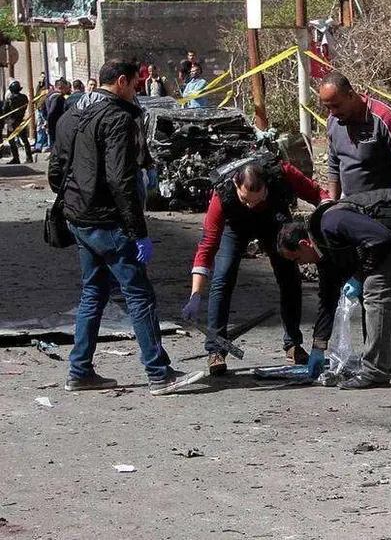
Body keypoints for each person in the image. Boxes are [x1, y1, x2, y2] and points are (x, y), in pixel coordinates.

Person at [47, 58, 204, 395]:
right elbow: (121, 180)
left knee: (93, 293)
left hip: (79, 219)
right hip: (108, 222)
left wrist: (78, 199)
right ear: (121, 81)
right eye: (135, 85)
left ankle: (79, 370)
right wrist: (138, 233)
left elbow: (55, 173)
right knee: (139, 295)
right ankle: (159, 373)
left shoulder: (71, 115)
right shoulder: (117, 119)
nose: (137, 92)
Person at [277, 189, 391, 389]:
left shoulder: (332, 223)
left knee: (376, 290)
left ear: (304, 244)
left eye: (297, 259)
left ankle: (375, 371)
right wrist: (318, 347)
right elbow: (328, 299)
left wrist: (358, 278)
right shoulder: (324, 249)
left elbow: (381, 240)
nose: (301, 265)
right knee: (382, 288)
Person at [181, 158, 330, 375]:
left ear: (267, 185)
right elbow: (207, 247)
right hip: (236, 227)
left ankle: (293, 344)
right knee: (222, 277)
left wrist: (334, 219)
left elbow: (319, 195)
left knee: (289, 275)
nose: (251, 205)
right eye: (245, 200)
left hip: (274, 221)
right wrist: (195, 295)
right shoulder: (222, 194)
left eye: (257, 199)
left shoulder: (282, 173)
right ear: (235, 184)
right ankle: (216, 349)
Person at [318, 71, 391, 360]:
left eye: (336, 105)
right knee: (368, 280)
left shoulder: (382, 118)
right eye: (327, 107)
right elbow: (334, 163)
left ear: (351, 95)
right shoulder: (333, 123)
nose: (332, 113)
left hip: (386, 213)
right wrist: (332, 200)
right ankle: (380, 349)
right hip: (353, 215)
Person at [1, 80, 33, 164]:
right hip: (21, 120)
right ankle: (29, 157)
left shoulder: (10, 99)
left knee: (11, 140)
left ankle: (16, 158)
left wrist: (5, 121)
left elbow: (5, 110)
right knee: (25, 140)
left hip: (12, 122)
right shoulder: (24, 97)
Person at [43, 78, 70, 146]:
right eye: (65, 88)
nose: (66, 90)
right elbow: (52, 111)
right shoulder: (58, 98)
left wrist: (46, 120)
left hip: (51, 123)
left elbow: (43, 109)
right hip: (56, 124)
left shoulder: (48, 96)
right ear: (61, 88)